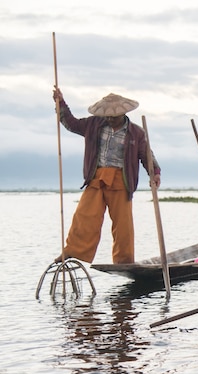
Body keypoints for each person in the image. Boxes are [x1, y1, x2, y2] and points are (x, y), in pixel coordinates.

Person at [52, 88, 161, 264]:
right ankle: (72, 251)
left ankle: (124, 260)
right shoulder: (93, 124)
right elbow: (71, 123)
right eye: (108, 116)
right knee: (84, 217)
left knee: (123, 225)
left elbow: (146, 155)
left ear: (123, 113)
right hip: (97, 178)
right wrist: (61, 104)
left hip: (121, 181)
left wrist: (154, 173)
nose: (110, 119)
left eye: (114, 116)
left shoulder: (136, 132)